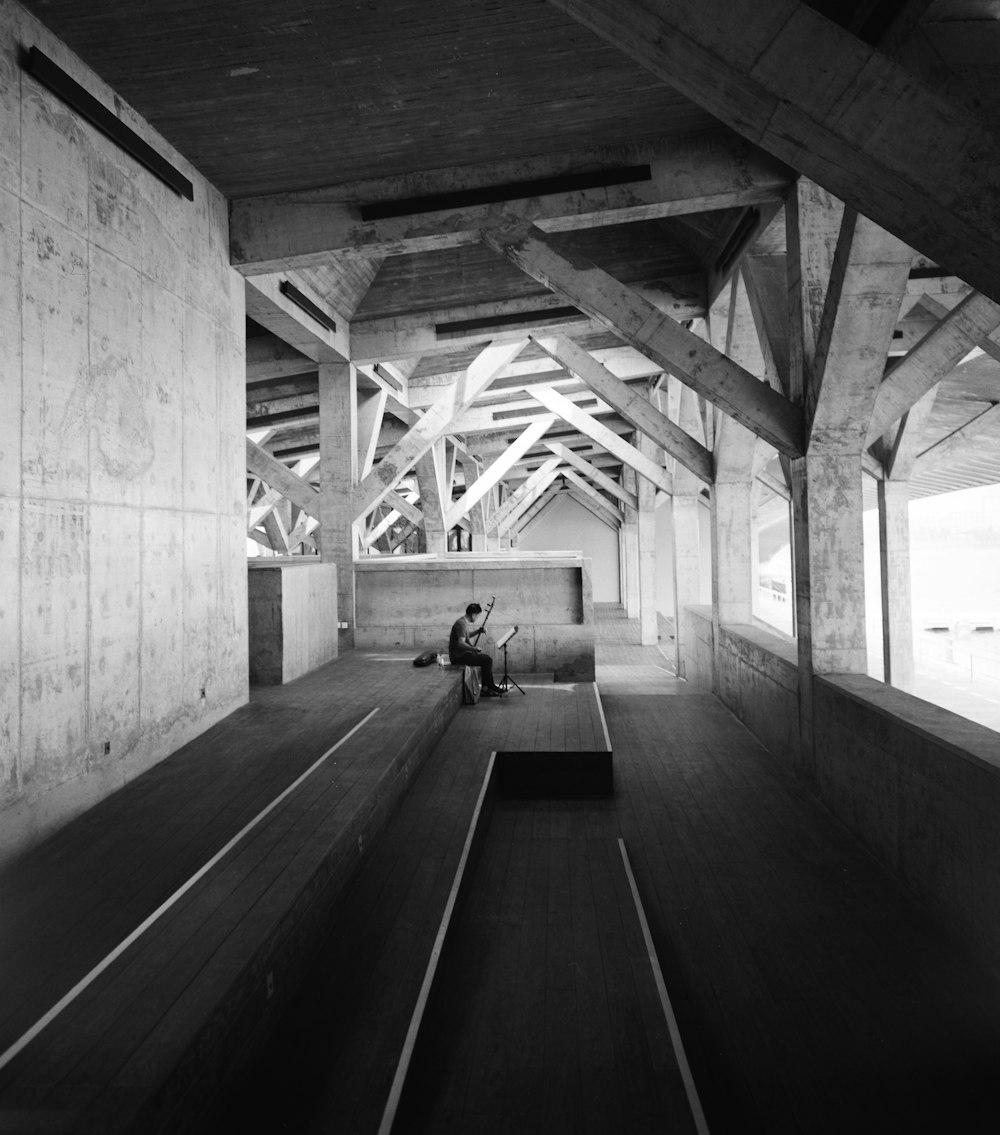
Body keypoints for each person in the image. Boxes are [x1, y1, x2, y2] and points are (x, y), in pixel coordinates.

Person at [449, 603, 502, 696]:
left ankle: (487, 687)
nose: (477, 618)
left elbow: (466, 636)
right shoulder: (461, 624)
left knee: (485, 659)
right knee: (487, 660)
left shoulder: (462, 622)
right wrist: (474, 649)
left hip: (462, 654)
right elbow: (461, 643)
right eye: (477, 615)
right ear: (473, 614)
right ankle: (488, 688)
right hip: (458, 657)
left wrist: (478, 631)